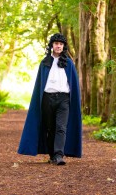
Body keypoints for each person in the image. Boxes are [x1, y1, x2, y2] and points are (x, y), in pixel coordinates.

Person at [18, 33, 82, 165]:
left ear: (63, 46)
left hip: (64, 99)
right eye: (56, 43)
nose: (58, 46)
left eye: (61, 44)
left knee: (61, 127)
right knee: (50, 128)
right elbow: (39, 84)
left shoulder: (69, 63)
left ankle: (59, 155)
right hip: (48, 98)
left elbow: (73, 84)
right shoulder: (45, 63)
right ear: (52, 45)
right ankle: (53, 155)